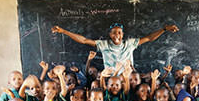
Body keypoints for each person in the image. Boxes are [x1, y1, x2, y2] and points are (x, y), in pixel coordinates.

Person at [50, 23, 179, 76]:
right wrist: (63, 31)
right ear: (110, 35)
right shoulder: (104, 45)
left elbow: (149, 38)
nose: (116, 35)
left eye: (119, 33)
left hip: (129, 78)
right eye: (113, 33)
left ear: (122, 34)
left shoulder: (130, 44)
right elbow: (83, 40)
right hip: (111, 80)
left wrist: (164, 29)